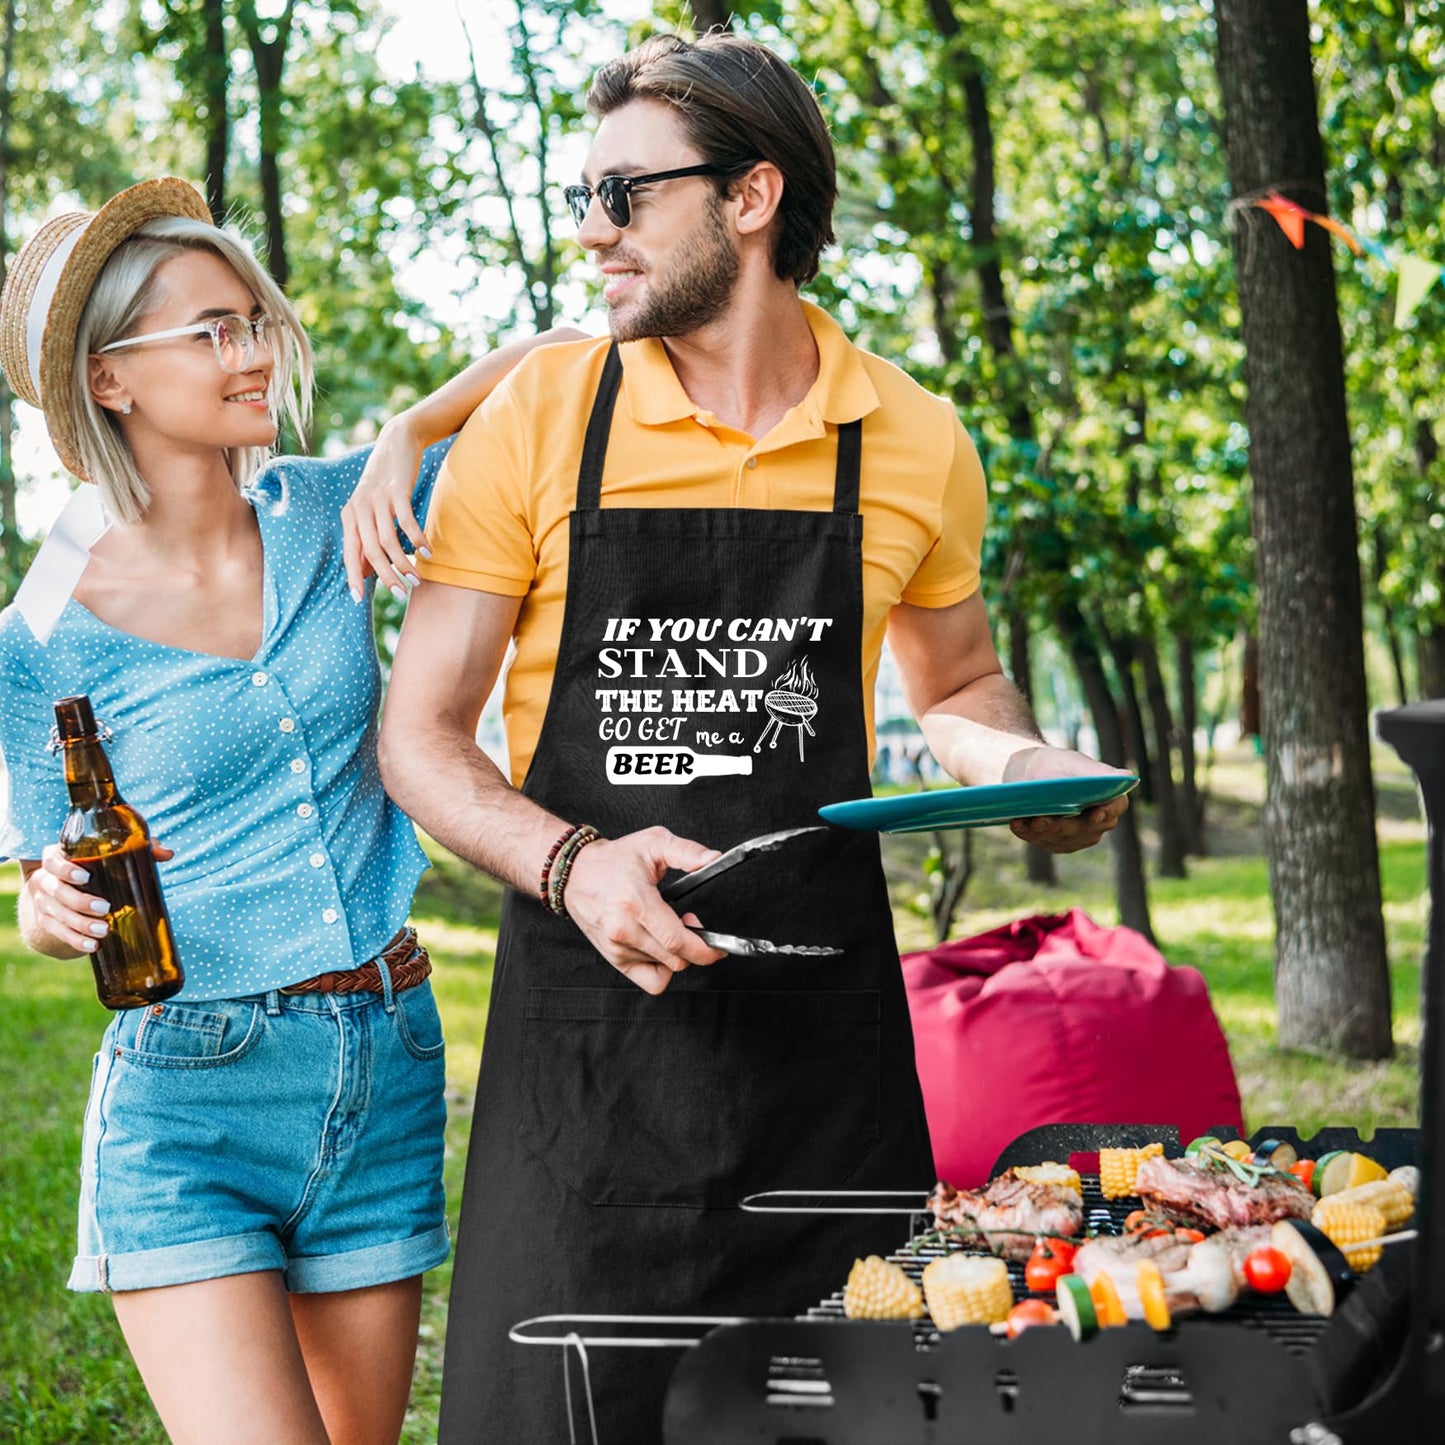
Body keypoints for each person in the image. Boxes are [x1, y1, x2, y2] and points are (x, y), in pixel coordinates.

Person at [373, 33, 1129, 1444]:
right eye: (580, 195)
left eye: (622, 194)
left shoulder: (910, 436)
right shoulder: (542, 416)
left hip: (821, 1071)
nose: (587, 231)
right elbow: (417, 735)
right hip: (587, 1063)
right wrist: (571, 862)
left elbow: (958, 682)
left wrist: (1030, 777)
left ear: (751, 196)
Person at [0, 177, 573, 1445]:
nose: (250, 351)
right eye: (208, 330)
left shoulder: (331, 515)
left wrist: (409, 429)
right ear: (110, 382)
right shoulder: (34, 635)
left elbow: (565, 349)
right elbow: (53, 881)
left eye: (252, 320)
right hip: (188, 1091)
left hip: (384, 1052)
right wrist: (49, 904)